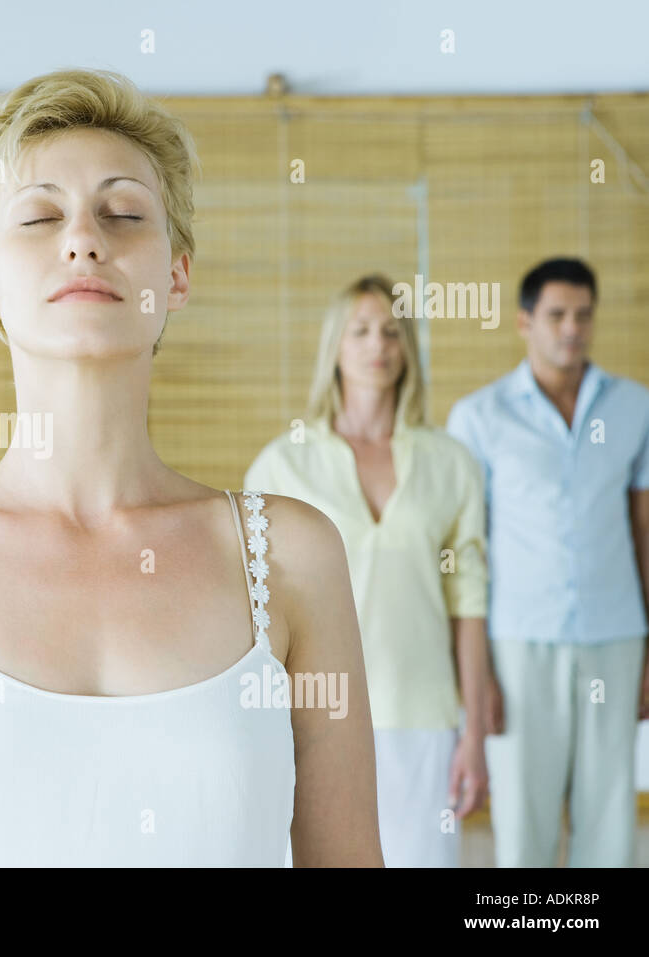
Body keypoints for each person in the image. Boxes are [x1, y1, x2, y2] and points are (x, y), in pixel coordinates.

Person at [0, 68, 383, 867]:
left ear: (176, 276)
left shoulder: (294, 555)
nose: (84, 238)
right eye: (40, 215)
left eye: (123, 212)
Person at [244, 275, 490, 867]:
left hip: (424, 715)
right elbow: (254, 611)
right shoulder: (283, 465)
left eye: (390, 331)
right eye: (360, 331)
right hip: (316, 715)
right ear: (335, 347)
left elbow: (470, 603)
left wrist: (475, 734)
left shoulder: (450, 464)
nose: (376, 344)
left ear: (406, 348)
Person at [447, 257, 649, 868]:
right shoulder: (479, 417)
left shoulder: (635, 408)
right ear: (524, 322)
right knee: (522, 821)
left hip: (615, 636)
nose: (572, 329)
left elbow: (644, 530)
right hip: (517, 643)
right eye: (557, 315)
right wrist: (477, 680)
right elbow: (465, 554)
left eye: (584, 315)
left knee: (611, 816)